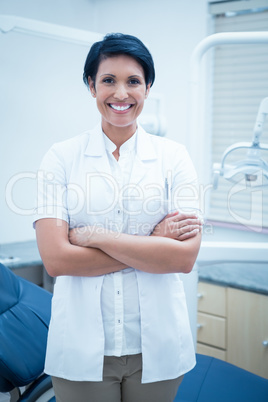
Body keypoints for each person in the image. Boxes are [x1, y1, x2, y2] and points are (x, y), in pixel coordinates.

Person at [34, 33, 202, 402]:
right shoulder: (60, 158)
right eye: (109, 80)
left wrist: (95, 236)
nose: (121, 93)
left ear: (148, 87)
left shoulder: (175, 157)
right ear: (92, 86)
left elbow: (183, 258)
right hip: (80, 348)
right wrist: (153, 242)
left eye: (133, 81)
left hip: (157, 345)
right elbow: (57, 260)